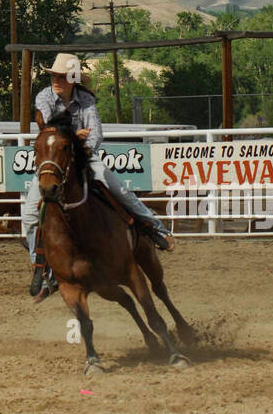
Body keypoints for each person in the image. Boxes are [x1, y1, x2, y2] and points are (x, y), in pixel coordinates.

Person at [21, 52, 175, 298]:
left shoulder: (86, 101)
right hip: (55, 162)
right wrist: (74, 135)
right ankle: (43, 270)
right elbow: (51, 130)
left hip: (82, 157)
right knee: (29, 214)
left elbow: (96, 135)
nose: (56, 80)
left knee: (119, 189)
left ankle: (155, 229)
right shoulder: (44, 97)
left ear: (73, 78)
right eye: (54, 76)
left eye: (61, 76)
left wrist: (80, 147)